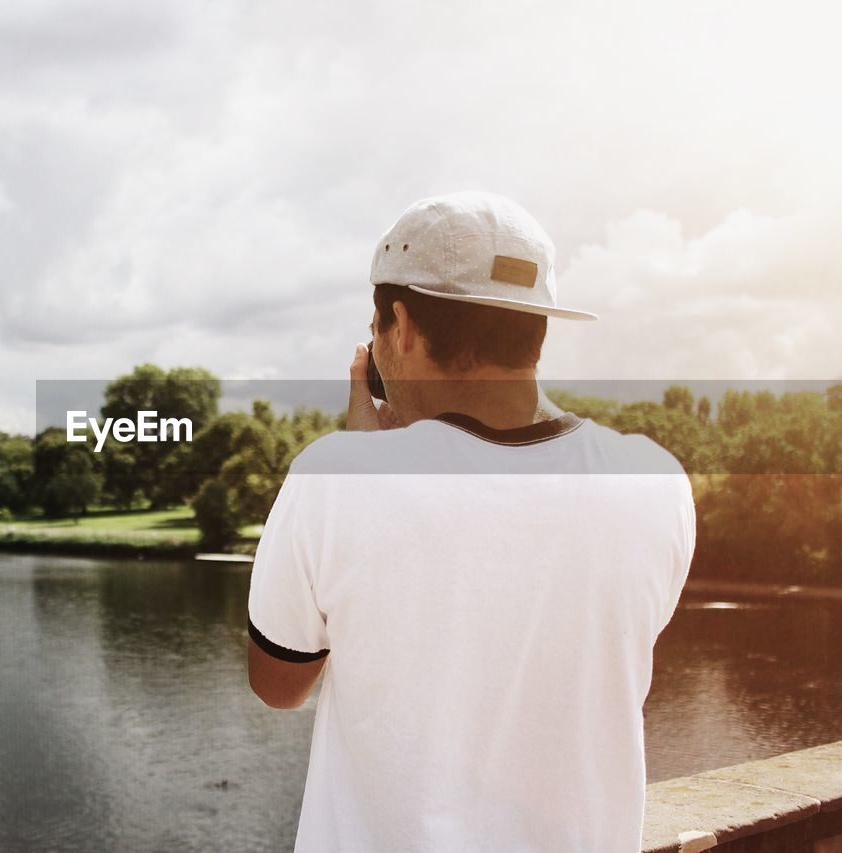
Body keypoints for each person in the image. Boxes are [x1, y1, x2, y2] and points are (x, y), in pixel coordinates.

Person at [247, 192, 695, 851]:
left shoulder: (336, 477)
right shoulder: (655, 479)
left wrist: (371, 456)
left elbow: (279, 683)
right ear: (536, 327)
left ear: (398, 325)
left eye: (376, 328)